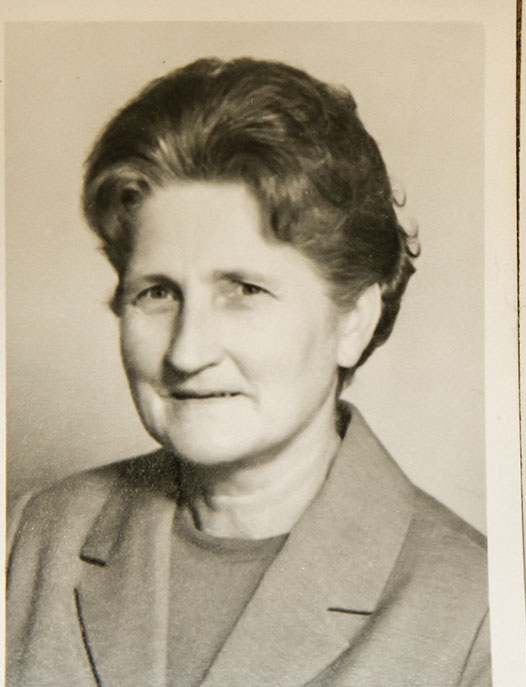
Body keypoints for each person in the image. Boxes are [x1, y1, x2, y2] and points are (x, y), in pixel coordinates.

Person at [6, 57, 489, 686]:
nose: (186, 352)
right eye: (157, 292)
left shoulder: (477, 610)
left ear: (353, 320)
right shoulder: (28, 538)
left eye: (244, 289)